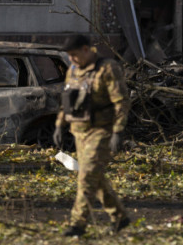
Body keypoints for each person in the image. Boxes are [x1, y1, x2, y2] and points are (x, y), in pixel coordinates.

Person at [53, 34, 131, 237]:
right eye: (69, 56)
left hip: (101, 131)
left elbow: (121, 101)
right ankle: (120, 216)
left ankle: (77, 224)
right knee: (93, 176)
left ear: (87, 49)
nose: (72, 59)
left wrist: (118, 131)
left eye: (75, 55)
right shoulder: (73, 70)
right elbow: (67, 99)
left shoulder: (107, 68)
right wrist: (59, 126)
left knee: (86, 177)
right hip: (79, 132)